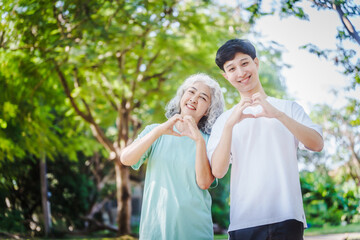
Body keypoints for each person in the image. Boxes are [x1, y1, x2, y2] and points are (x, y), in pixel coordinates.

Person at [207, 39, 324, 240]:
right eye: (232, 68)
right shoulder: (224, 121)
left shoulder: (288, 108)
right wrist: (229, 126)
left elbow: (317, 144)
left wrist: (278, 115)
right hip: (244, 222)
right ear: (226, 76)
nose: (241, 72)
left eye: (245, 63)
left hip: (288, 218)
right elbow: (218, 170)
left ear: (256, 63)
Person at [121, 73, 224, 240]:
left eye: (203, 97)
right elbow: (126, 159)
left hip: (194, 231)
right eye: (191, 92)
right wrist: (158, 131)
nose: (194, 98)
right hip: (155, 230)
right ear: (182, 96)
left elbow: (204, 182)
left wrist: (198, 140)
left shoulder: (209, 141)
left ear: (208, 110)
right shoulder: (155, 131)